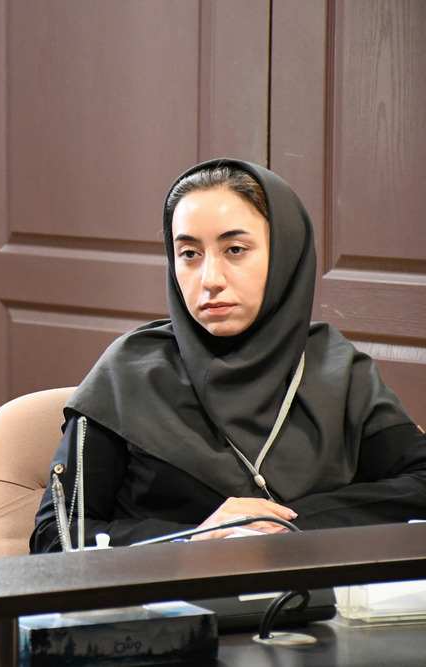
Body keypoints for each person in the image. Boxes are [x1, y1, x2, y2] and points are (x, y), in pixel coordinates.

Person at [31, 158, 426, 551]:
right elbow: (56, 536)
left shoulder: (336, 368)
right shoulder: (127, 373)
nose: (210, 280)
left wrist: (288, 524)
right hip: (174, 590)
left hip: (319, 590)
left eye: (235, 249)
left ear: (285, 253)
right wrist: (194, 539)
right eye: (189, 254)